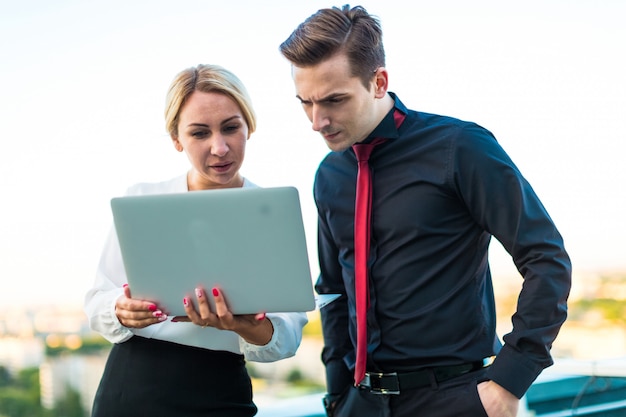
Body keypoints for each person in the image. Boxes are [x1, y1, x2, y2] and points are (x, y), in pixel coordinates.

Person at [279, 5, 571, 417]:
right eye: (304, 102)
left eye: (333, 100)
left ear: (379, 82)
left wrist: (509, 380)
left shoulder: (460, 147)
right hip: (359, 404)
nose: (316, 120)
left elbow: (546, 257)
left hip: (455, 398)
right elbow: (334, 291)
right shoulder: (329, 175)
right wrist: (336, 398)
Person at [84, 64, 308, 417]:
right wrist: (121, 310)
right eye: (200, 133)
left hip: (222, 393)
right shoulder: (142, 202)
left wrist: (247, 327)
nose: (219, 148)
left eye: (231, 128)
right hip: (132, 391)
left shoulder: (273, 210)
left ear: (249, 125)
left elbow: (288, 337)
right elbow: (97, 302)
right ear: (177, 139)